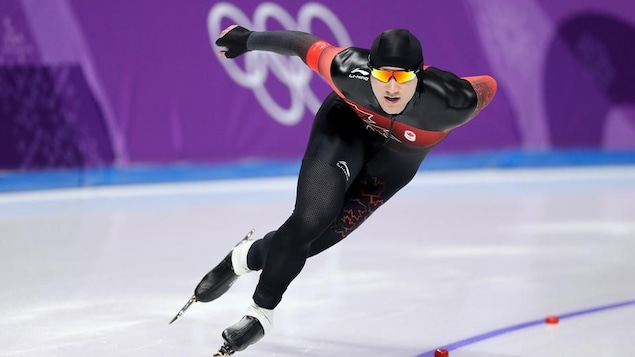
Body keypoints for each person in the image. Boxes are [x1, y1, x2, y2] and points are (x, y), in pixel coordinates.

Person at [179, 24, 497, 355]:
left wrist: (467, 85)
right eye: (381, 75)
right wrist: (248, 40)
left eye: (401, 78)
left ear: (417, 76)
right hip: (344, 129)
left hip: (391, 168)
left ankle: (242, 258)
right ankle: (260, 314)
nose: (390, 87)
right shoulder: (347, 69)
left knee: (312, 243)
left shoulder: (452, 102)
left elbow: (488, 85)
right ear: (368, 70)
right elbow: (302, 44)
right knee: (310, 218)